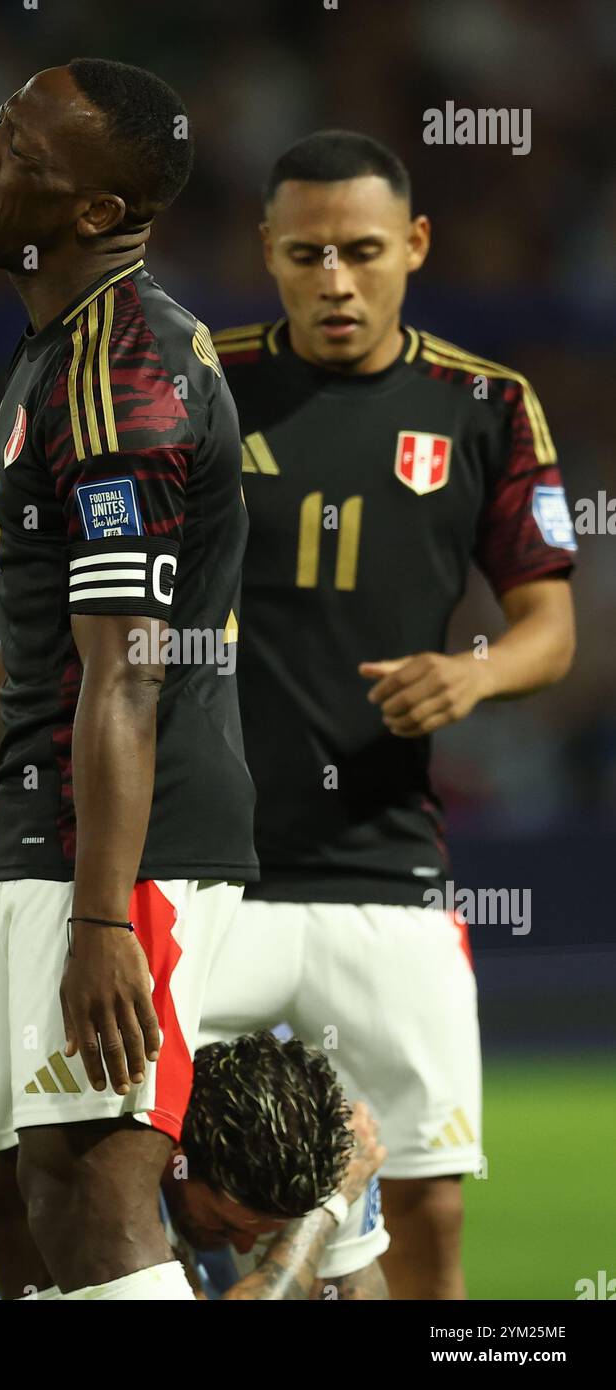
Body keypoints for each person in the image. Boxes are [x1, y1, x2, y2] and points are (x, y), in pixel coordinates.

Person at [200, 130, 577, 1299]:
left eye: (362, 251)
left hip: (385, 868)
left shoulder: (486, 406)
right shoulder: (202, 387)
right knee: (157, 1183)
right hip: (207, 869)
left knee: (426, 1203)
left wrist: (475, 674)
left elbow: (550, 627)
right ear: (267, 250)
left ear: (414, 245)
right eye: (305, 252)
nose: (334, 280)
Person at [0, 58, 257, 1303]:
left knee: (96, 1188)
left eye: (20, 150)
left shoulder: (125, 375)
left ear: (96, 214)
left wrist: (106, 917)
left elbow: (126, 671)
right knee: (11, 1194)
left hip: (126, 844)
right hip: (41, 834)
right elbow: (32, 643)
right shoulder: (54, 354)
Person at [0, 1032, 389, 1301]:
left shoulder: (334, 1162)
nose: (243, 1247)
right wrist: (321, 1217)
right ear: (177, 1161)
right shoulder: (109, 1166)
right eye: (225, 1225)